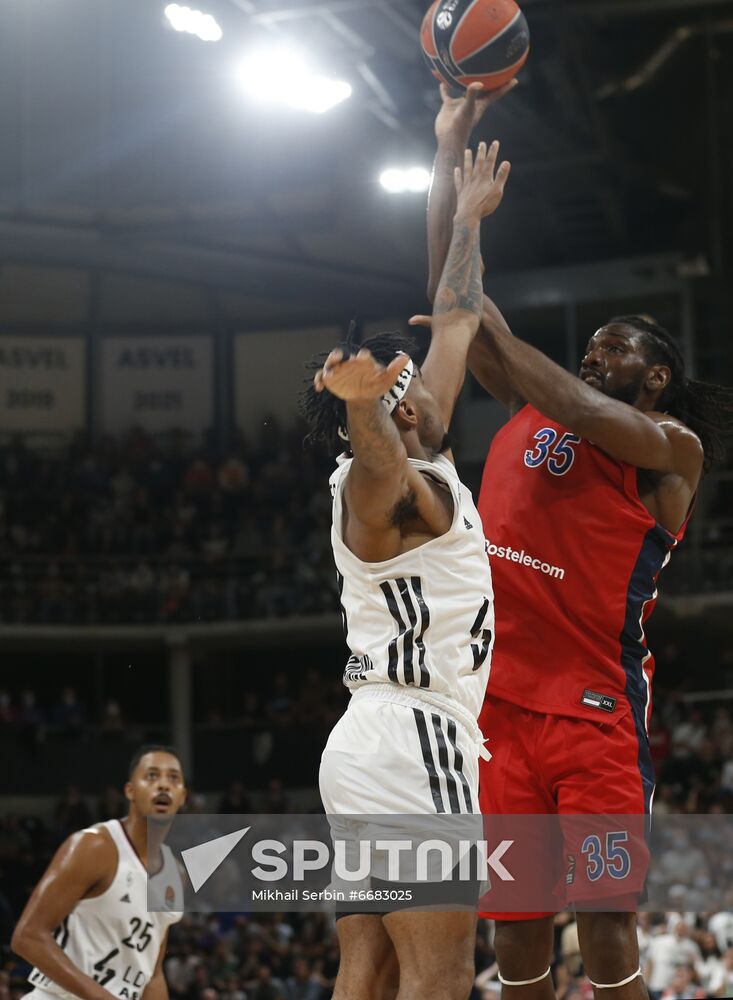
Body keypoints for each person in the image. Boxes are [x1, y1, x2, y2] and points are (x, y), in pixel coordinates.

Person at [415, 82, 733, 999]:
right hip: (498, 709)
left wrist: (471, 276)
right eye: (588, 345)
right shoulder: (526, 404)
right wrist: (447, 158)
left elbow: (555, 387)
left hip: (593, 716)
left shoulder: (670, 447)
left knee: (604, 932)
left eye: (612, 348)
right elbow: (452, 302)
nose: (594, 354)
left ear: (656, 375)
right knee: (515, 947)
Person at [302, 141, 511, 1000]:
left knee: (371, 967)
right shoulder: (385, 490)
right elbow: (379, 466)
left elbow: (456, 316)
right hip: (414, 735)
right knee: (442, 972)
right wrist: (362, 409)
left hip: (366, 741)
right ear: (394, 410)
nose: (425, 383)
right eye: (404, 383)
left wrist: (463, 219)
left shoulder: (427, 442)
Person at [12, 745, 187, 1000]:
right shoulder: (95, 846)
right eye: (151, 776)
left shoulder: (174, 874)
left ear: (183, 796)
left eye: (173, 778)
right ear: (130, 790)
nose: (163, 785)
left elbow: (153, 973)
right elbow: (28, 936)